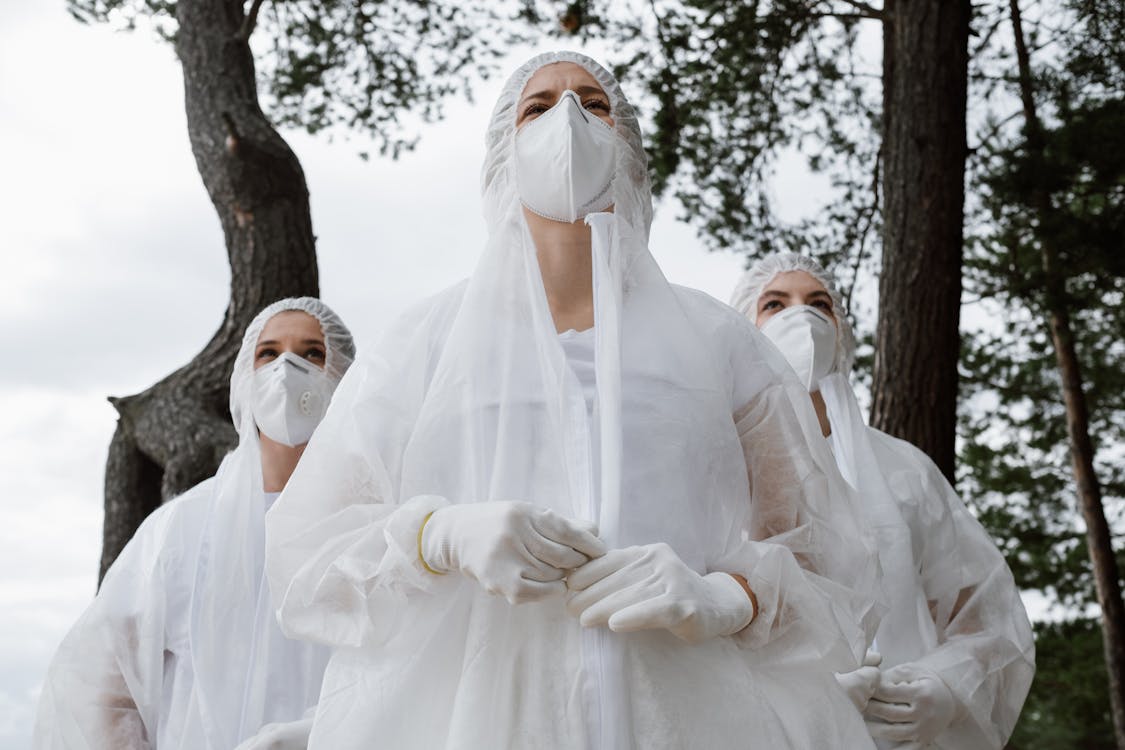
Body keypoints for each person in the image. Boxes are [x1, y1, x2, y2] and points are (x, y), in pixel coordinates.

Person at [266, 52, 881, 749]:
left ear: (627, 148)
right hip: (475, 723)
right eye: (538, 106)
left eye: (594, 104)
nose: (568, 119)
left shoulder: (720, 343)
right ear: (504, 148)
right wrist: (435, 536)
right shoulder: (423, 345)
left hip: (691, 718)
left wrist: (727, 596)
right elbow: (307, 553)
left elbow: (828, 557)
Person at [731, 254, 1035, 749]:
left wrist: (946, 687)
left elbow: (986, 616)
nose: (802, 317)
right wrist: (801, 696)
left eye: (819, 303)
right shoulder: (718, 461)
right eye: (775, 303)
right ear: (742, 329)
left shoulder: (905, 470)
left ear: (840, 330)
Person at [34, 298, 355, 750]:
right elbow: (98, 684)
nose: (287, 368)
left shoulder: (367, 525)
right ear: (245, 377)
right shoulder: (182, 531)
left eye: (312, 354)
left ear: (344, 376)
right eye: (268, 353)